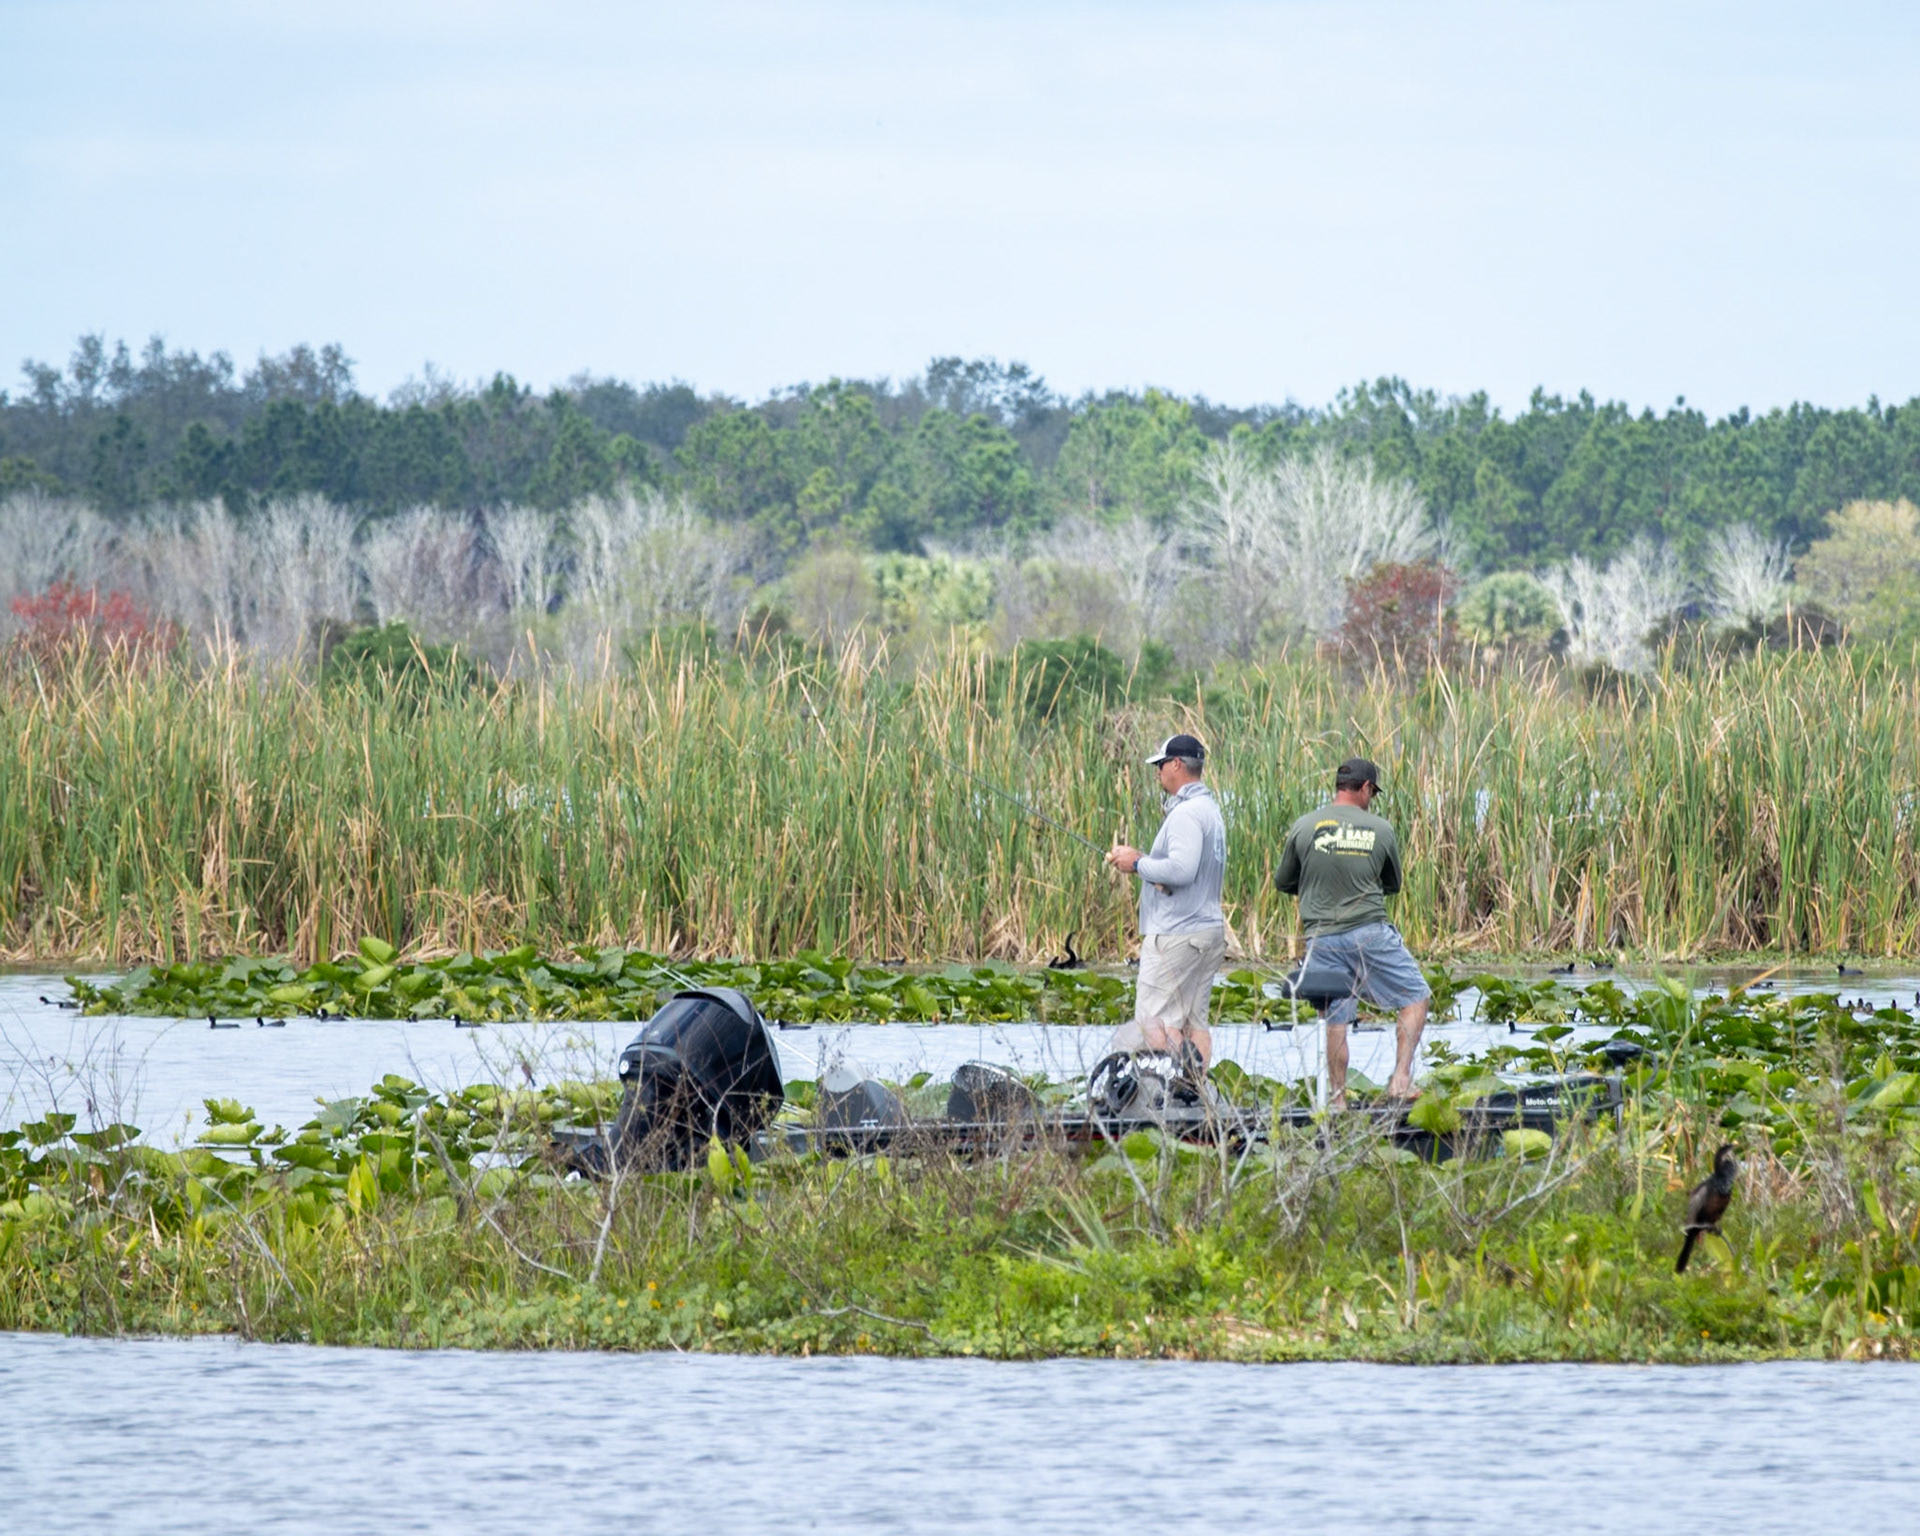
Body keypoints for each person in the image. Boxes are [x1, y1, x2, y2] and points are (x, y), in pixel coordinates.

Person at [1273, 756, 1429, 1108]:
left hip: (1320, 938)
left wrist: (1317, 884)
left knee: (1337, 1019)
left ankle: (1338, 1100)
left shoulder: (1304, 826)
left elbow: (1284, 881)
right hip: (1369, 931)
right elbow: (1392, 884)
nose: (1370, 798)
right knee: (1415, 997)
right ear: (1364, 788)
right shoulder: (1381, 829)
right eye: (1371, 792)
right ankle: (1400, 1080)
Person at [1104, 733, 1228, 1073]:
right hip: (1207, 932)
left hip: (1176, 936)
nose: (1158, 771)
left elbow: (1182, 870)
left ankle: (1170, 1091)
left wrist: (1137, 863)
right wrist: (1146, 860)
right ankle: (1196, 1097)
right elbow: (1188, 869)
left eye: (1161, 764)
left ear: (1177, 764)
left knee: (1154, 1024)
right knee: (1193, 1024)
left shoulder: (1186, 814)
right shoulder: (1210, 810)